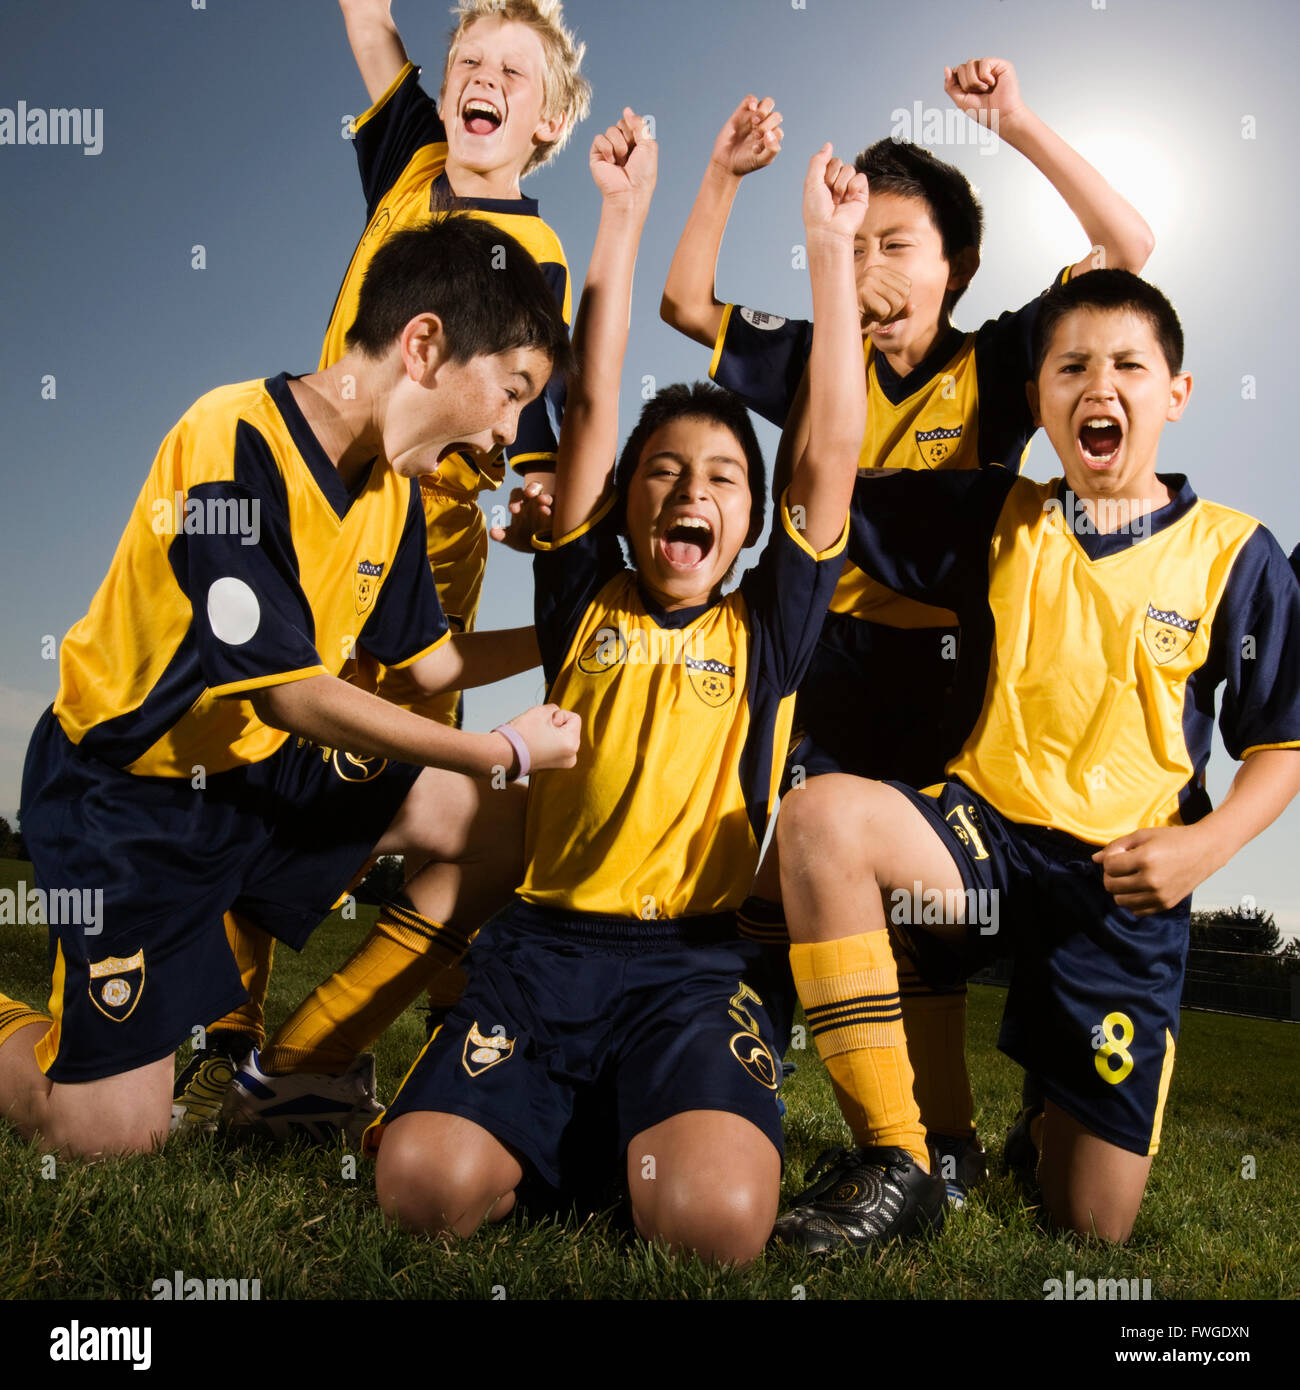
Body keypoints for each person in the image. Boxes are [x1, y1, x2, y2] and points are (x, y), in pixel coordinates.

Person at [368, 111, 868, 1264]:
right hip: (542, 952)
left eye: (723, 477)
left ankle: (635, 1123)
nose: (691, 489)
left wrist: (830, 257)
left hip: (692, 968)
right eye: (664, 471)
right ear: (627, 503)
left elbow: (828, 449)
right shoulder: (581, 589)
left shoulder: (768, 623)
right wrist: (623, 216)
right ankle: (568, 1121)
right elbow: (588, 406)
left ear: (749, 520)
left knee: (714, 1227)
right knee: (419, 1190)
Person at [659, 58, 1156, 1201]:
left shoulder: (991, 364)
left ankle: (949, 1138)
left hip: (944, 675)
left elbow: (1125, 247)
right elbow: (687, 303)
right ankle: (793, 1109)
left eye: (899, 245)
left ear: (956, 268)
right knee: (762, 883)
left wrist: (1018, 120)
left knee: (927, 920)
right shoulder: (818, 354)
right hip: (813, 667)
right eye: (857, 242)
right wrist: (726, 176)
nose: (873, 267)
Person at [0, 215, 579, 1160]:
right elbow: (288, 693)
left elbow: (428, 666)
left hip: (260, 780)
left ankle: (297, 1070)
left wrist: (566, 628)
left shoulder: (390, 494)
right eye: (511, 391)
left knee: (503, 822)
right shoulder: (232, 434)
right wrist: (498, 750)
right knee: (106, 1137)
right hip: (128, 802)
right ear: (424, 345)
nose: (510, 433)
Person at [772, 269, 1300, 1246]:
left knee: (1089, 1229)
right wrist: (847, 327)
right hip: (981, 848)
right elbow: (827, 478)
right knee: (821, 818)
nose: (1098, 385)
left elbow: (1280, 741)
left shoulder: (1238, 553)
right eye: (1070, 366)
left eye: (1127, 365)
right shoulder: (994, 512)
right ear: (1038, 400)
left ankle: (1045, 1117)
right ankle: (901, 1157)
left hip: (1123, 882)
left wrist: (1207, 846)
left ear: (1173, 395)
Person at [177, 0, 592, 1129]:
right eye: (469, 58)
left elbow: (538, 408)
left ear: (546, 117)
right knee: (268, 745)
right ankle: (237, 1042)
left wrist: (541, 483)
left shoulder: (537, 256)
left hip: (424, 534)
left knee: (365, 774)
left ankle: (361, 1040)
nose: (483, 76)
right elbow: (367, 16)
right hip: (317, 492)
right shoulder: (413, 155)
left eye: (513, 69)